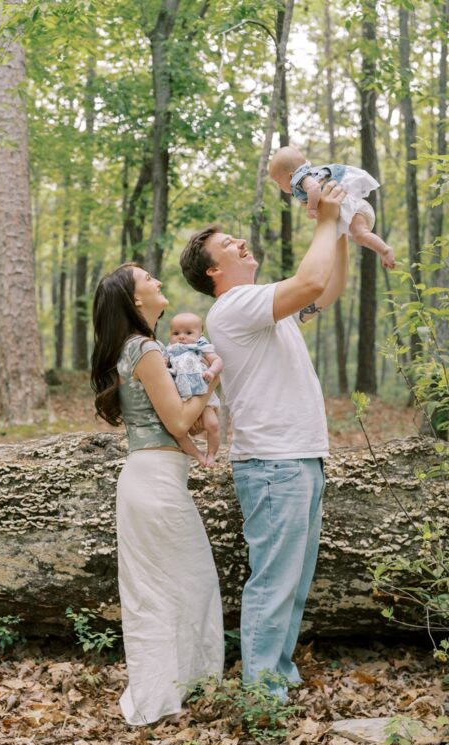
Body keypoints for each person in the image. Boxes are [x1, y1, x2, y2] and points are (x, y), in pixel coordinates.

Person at [178, 180, 350, 701]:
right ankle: (261, 698)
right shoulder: (234, 307)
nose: (240, 243)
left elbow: (326, 287)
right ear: (214, 271)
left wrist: (338, 228)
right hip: (274, 464)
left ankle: (276, 676)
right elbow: (310, 277)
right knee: (274, 584)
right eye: (227, 243)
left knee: (292, 585)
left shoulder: (263, 309)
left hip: (299, 456)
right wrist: (322, 218)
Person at [90, 263, 224, 725]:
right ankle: (167, 692)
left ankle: (176, 687)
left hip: (150, 477)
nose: (157, 280)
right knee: (187, 583)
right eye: (146, 278)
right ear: (134, 299)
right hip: (154, 480)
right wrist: (213, 380)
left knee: (160, 589)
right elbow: (180, 421)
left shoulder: (140, 347)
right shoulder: (145, 348)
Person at [269, 145, 394, 269]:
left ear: (291, 176)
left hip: (354, 209)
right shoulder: (306, 179)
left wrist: (311, 208)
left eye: (279, 182)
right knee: (352, 237)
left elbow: (314, 188)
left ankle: (385, 250)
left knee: (360, 235)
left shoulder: (301, 179)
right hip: (348, 212)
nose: (279, 186)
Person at [166, 311, 223, 466]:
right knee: (179, 433)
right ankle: (197, 455)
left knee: (212, 424)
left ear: (200, 334)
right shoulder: (170, 349)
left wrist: (211, 371)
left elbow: (217, 360)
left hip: (202, 393)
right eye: (176, 333)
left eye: (188, 333)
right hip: (180, 397)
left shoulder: (200, 345)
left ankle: (211, 454)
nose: (182, 337)